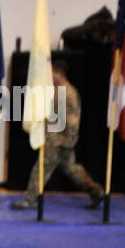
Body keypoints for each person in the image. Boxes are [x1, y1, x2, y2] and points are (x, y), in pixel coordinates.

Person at [11, 58, 104, 209]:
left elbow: (73, 121)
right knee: (71, 170)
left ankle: (30, 199)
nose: (50, 76)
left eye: (52, 73)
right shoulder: (56, 90)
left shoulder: (68, 93)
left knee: (41, 168)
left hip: (59, 139)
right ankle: (96, 191)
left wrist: (68, 141)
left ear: (59, 73)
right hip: (56, 137)